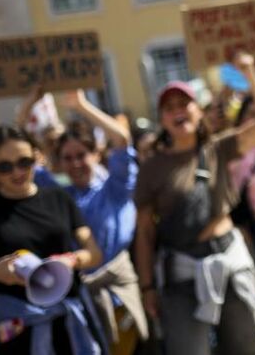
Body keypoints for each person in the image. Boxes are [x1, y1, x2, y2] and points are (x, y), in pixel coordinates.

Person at [133, 51, 255, 355]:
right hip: (181, 273)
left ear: (198, 111)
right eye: (169, 108)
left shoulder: (218, 148)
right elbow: (144, 232)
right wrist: (147, 287)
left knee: (248, 348)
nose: (178, 111)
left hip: (230, 262)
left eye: (184, 104)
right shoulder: (151, 168)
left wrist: (250, 75)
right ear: (162, 120)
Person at [0, 125, 104, 354]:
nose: (17, 172)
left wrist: (71, 260)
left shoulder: (59, 197)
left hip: (70, 322)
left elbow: (93, 253)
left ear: (37, 157)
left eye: (24, 162)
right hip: (19, 329)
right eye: (5, 166)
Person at [55, 90, 147, 353]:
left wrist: (82, 105)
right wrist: (31, 102)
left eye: (81, 155)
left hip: (117, 294)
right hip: (79, 299)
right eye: (67, 158)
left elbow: (121, 139)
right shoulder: (58, 197)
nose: (75, 164)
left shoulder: (114, 188)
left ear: (95, 154)